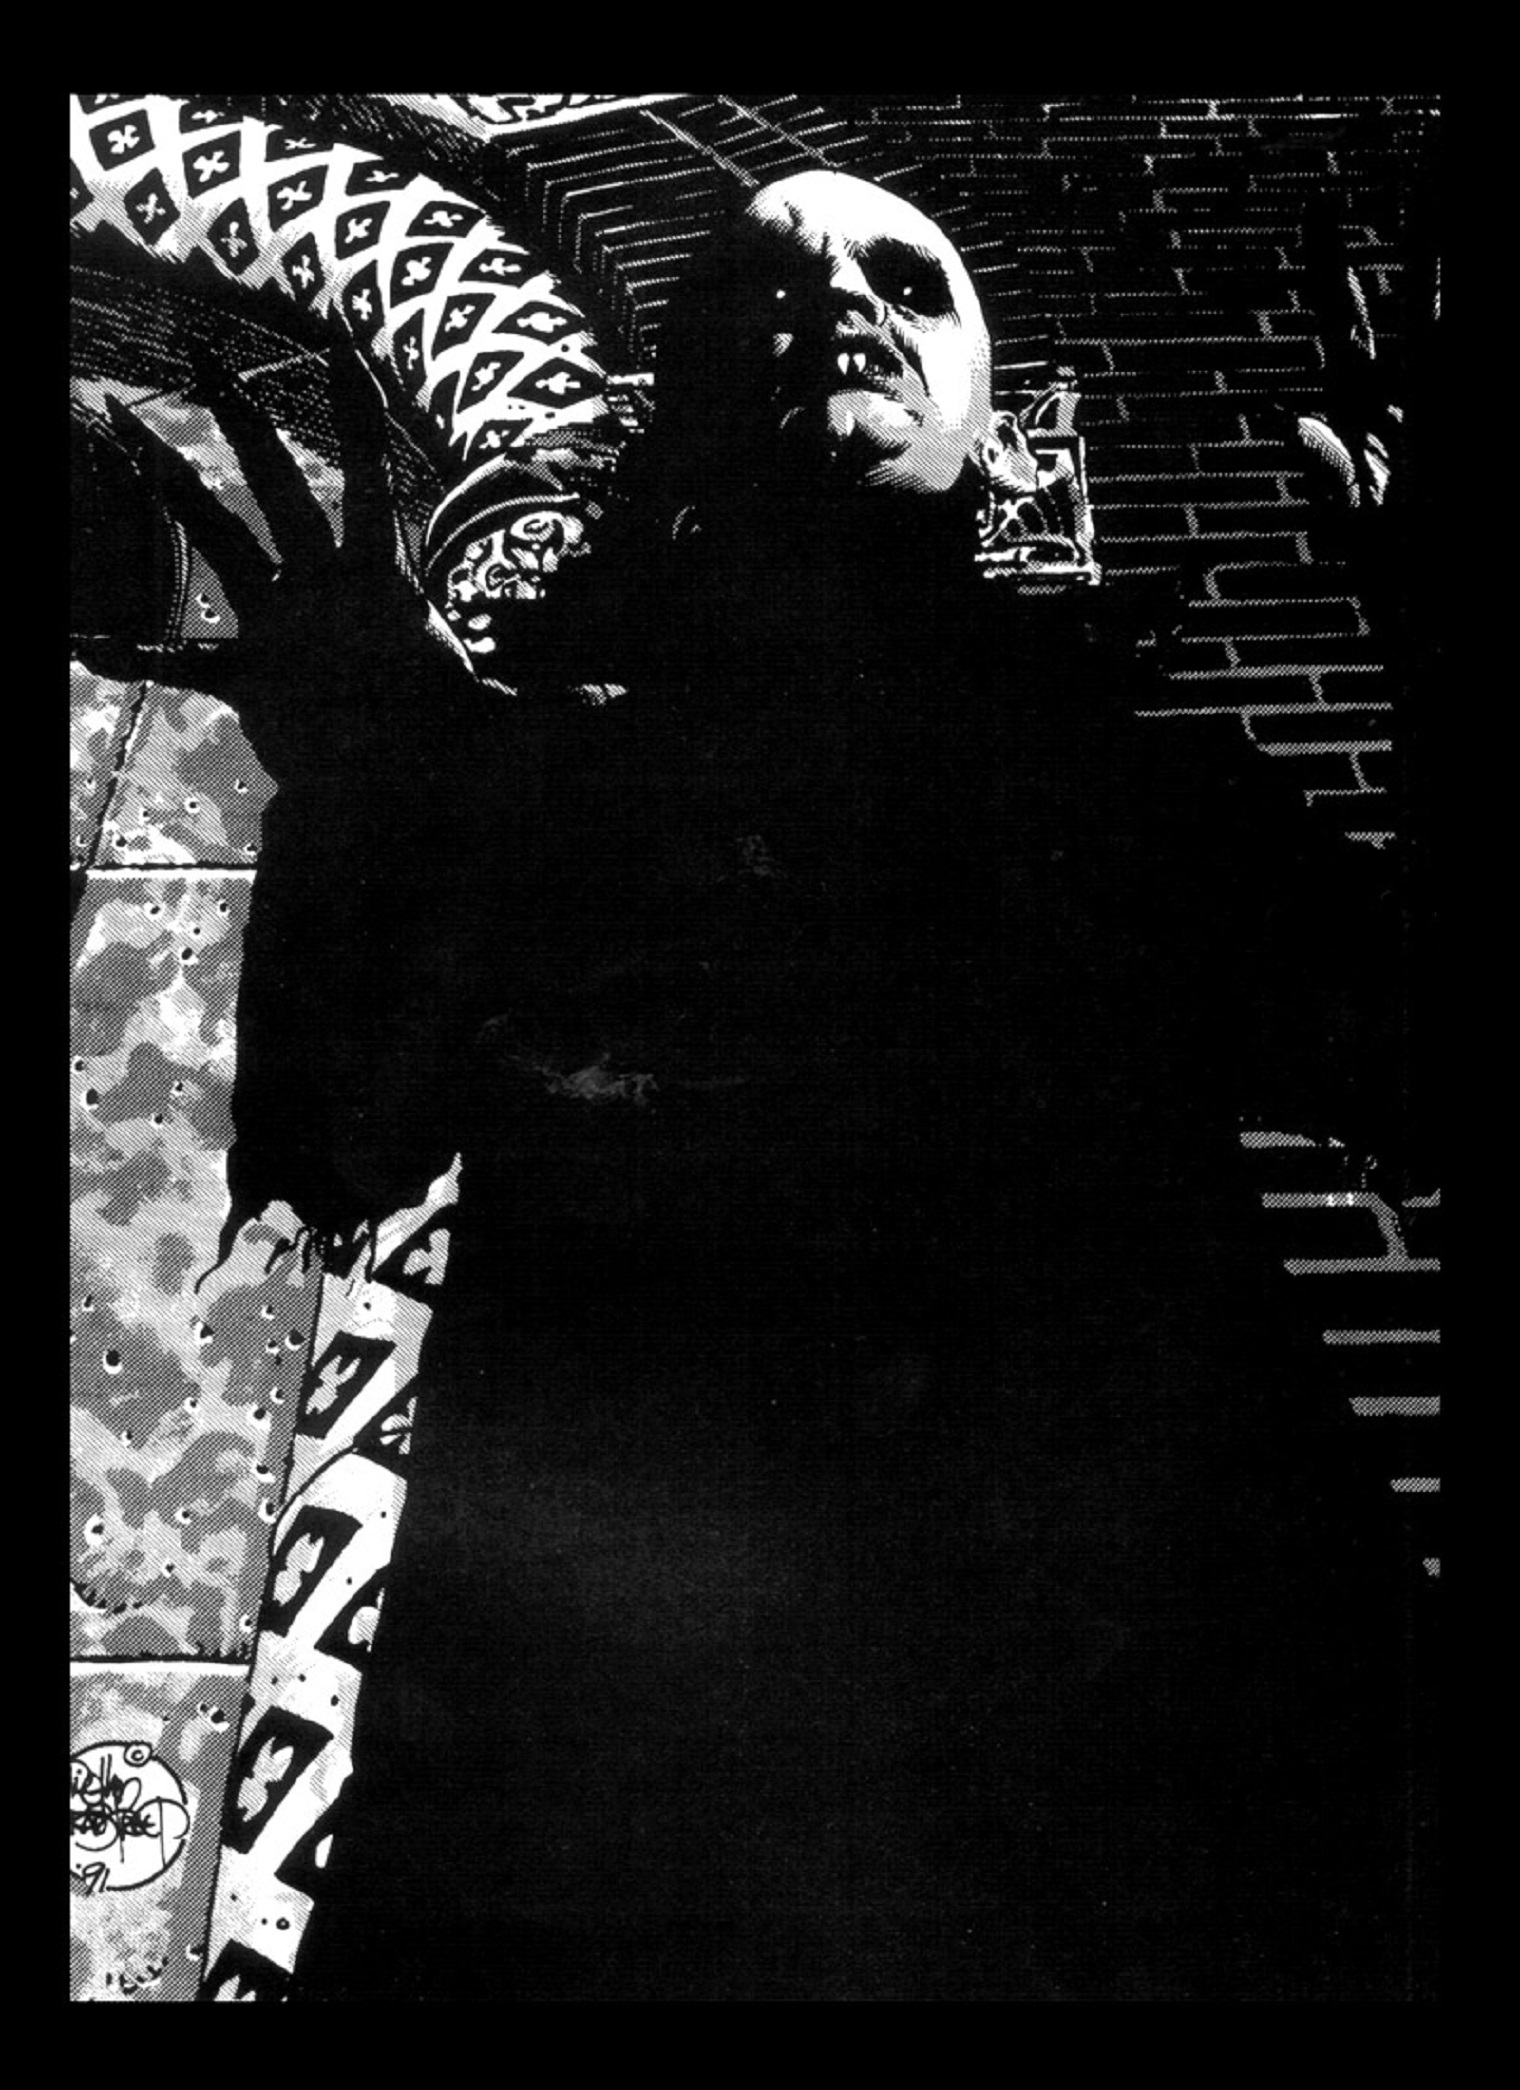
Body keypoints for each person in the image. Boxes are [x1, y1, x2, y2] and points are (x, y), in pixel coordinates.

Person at [89, 172, 1423, 2001]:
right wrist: (360, 780)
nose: (836, 305)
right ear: (675, 418)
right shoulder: (539, 782)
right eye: (758, 293)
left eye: (906, 279)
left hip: (1191, 1756)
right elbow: (335, 1136)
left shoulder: (1129, 782)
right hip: (651, 1798)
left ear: (1000, 432)